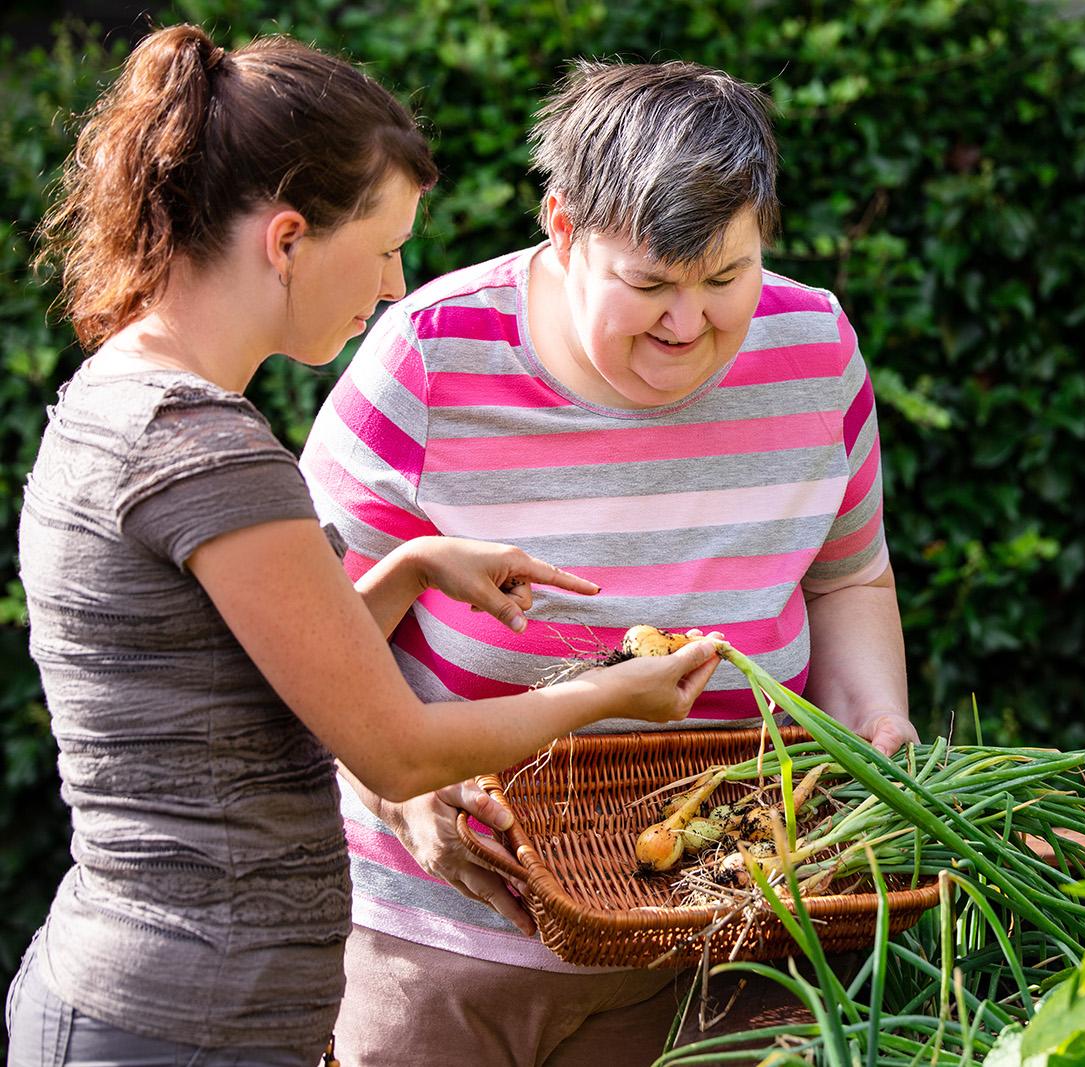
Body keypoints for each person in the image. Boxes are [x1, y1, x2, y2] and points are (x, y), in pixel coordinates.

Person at [4, 28, 720, 1067]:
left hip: (160, 1002)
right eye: (382, 248)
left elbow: (253, 678)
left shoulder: (126, 395)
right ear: (288, 238)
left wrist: (416, 567)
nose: (392, 286)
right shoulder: (202, 445)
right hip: (182, 1019)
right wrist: (614, 693)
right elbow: (393, 745)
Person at [299, 59, 917, 1065]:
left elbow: (847, 576)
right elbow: (302, 643)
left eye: (725, 279)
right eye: (650, 285)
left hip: (731, 937)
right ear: (563, 227)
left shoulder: (814, 350)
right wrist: (394, 782)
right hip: (446, 944)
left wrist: (872, 716)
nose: (688, 325)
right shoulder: (429, 357)